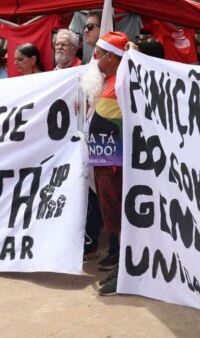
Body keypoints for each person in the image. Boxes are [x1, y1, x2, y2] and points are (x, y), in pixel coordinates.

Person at [84, 31, 129, 296]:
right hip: (104, 162)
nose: (95, 59)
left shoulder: (123, 81)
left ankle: (124, 270)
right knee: (113, 218)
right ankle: (122, 266)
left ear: (112, 57)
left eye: (98, 54)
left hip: (116, 164)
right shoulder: (109, 81)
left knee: (121, 219)